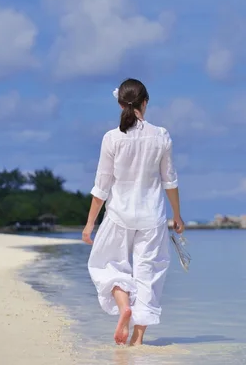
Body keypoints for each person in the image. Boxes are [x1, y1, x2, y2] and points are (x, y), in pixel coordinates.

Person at [82, 78, 184, 347]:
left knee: (106, 265)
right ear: (145, 103)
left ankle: (124, 305)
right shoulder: (161, 136)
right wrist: (177, 215)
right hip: (152, 217)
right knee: (148, 273)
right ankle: (137, 341)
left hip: (118, 215)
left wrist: (90, 224)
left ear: (119, 104)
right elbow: (169, 181)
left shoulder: (112, 138)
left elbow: (101, 187)